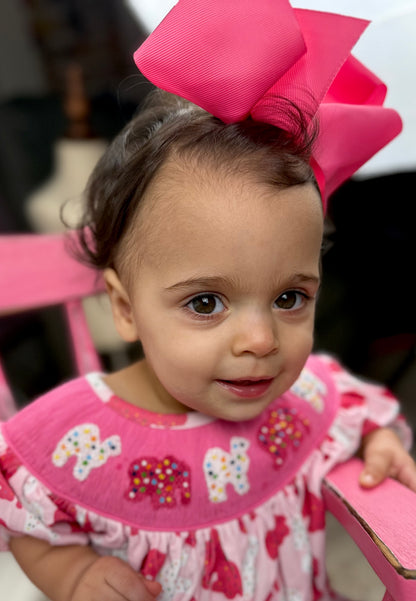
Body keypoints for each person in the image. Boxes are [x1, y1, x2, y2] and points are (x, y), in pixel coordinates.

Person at [1, 1, 415, 600]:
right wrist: (75, 573)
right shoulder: (71, 436)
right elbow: (25, 514)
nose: (261, 340)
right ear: (124, 308)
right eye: (205, 304)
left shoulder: (302, 399)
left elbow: (364, 412)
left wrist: (377, 443)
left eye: (290, 296)